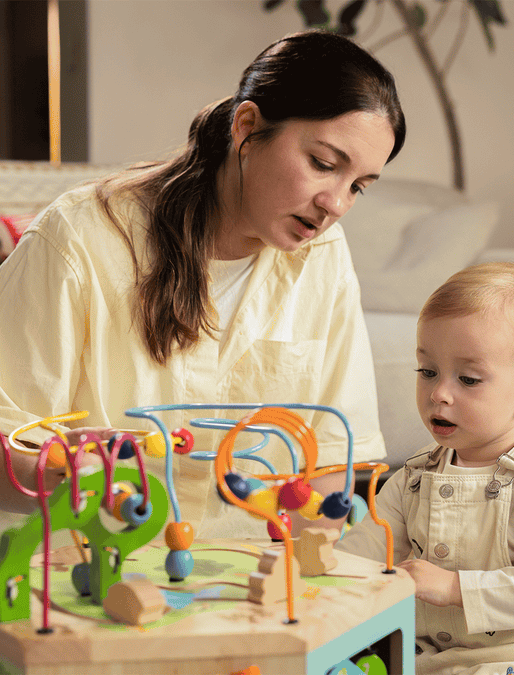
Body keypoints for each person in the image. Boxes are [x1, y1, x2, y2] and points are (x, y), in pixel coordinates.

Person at [0, 31, 399, 536]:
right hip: (96, 570)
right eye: (323, 164)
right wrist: (65, 472)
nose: (336, 205)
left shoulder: (323, 256)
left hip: (248, 584)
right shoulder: (78, 237)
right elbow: (9, 435)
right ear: (248, 127)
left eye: (358, 186)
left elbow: (333, 458)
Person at [338, 262, 514, 674]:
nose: (439, 393)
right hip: (426, 658)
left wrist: (453, 587)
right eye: (427, 372)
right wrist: (318, 569)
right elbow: (362, 557)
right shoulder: (413, 477)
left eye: (469, 379)